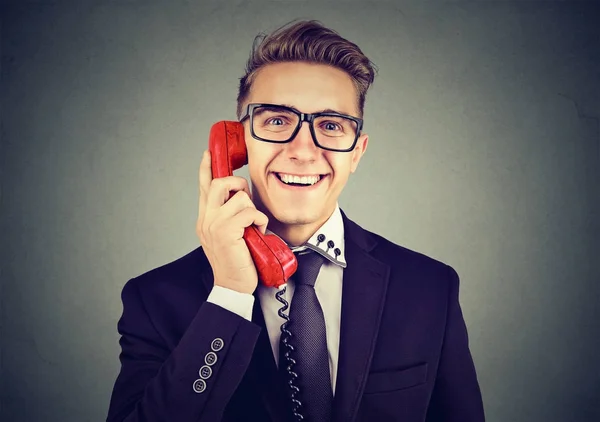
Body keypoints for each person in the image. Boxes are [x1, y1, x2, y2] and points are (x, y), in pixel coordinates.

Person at [106, 19, 485, 422]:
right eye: (276, 121)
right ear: (238, 140)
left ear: (356, 152)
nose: (303, 151)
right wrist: (230, 296)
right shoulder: (154, 300)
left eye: (331, 126)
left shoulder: (430, 287)